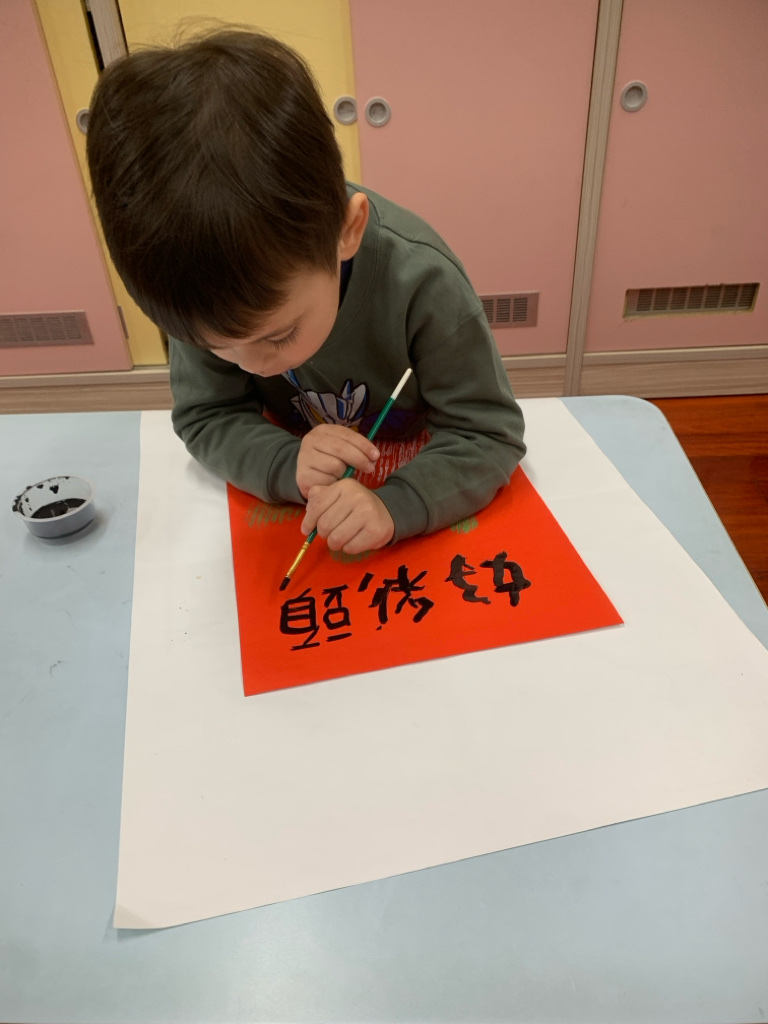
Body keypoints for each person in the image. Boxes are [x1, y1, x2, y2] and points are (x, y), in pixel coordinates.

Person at [86, 27, 526, 555]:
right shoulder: (199, 292)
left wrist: (398, 504)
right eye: (217, 347)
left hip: (413, 455)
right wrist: (284, 461)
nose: (252, 366)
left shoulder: (422, 281)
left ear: (347, 231)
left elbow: (489, 433)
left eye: (278, 335)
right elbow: (207, 416)